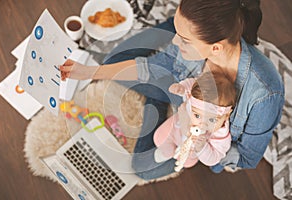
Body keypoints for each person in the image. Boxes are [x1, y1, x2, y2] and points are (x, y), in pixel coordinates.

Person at [60, 0, 284, 180]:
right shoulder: (194, 51)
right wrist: (89, 72)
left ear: (215, 47)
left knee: (143, 168)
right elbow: (151, 67)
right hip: (178, 92)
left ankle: (158, 93)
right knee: (113, 61)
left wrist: (199, 145)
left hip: (193, 135)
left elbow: (246, 156)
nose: (175, 43)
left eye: (184, 39)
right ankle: (174, 26)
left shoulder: (264, 94)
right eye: (178, 34)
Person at [153, 69, 236, 172]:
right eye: (197, 116)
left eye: (211, 119)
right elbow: (192, 84)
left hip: (193, 148)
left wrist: (202, 147)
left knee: (188, 162)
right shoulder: (196, 97)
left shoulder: (220, 135)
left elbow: (214, 158)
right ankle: (167, 152)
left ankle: (179, 158)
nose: (202, 123)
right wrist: (181, 88)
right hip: (178, 127)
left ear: (226, 115)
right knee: (159, 137)